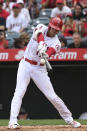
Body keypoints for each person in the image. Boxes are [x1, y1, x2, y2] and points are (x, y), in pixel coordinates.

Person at [8, 17, 81, 129]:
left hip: (39, 68)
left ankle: (70, 119)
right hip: (25, 64)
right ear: (50, 26)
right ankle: (12, 122)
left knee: (52, 96)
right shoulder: (41, 27)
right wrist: (41, 44)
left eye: (57, 29)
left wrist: (46, 54)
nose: (55, 31)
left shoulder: (57, 43)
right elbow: (39, 35)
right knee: (19, 92)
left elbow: (51, 51)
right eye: (53, 28)